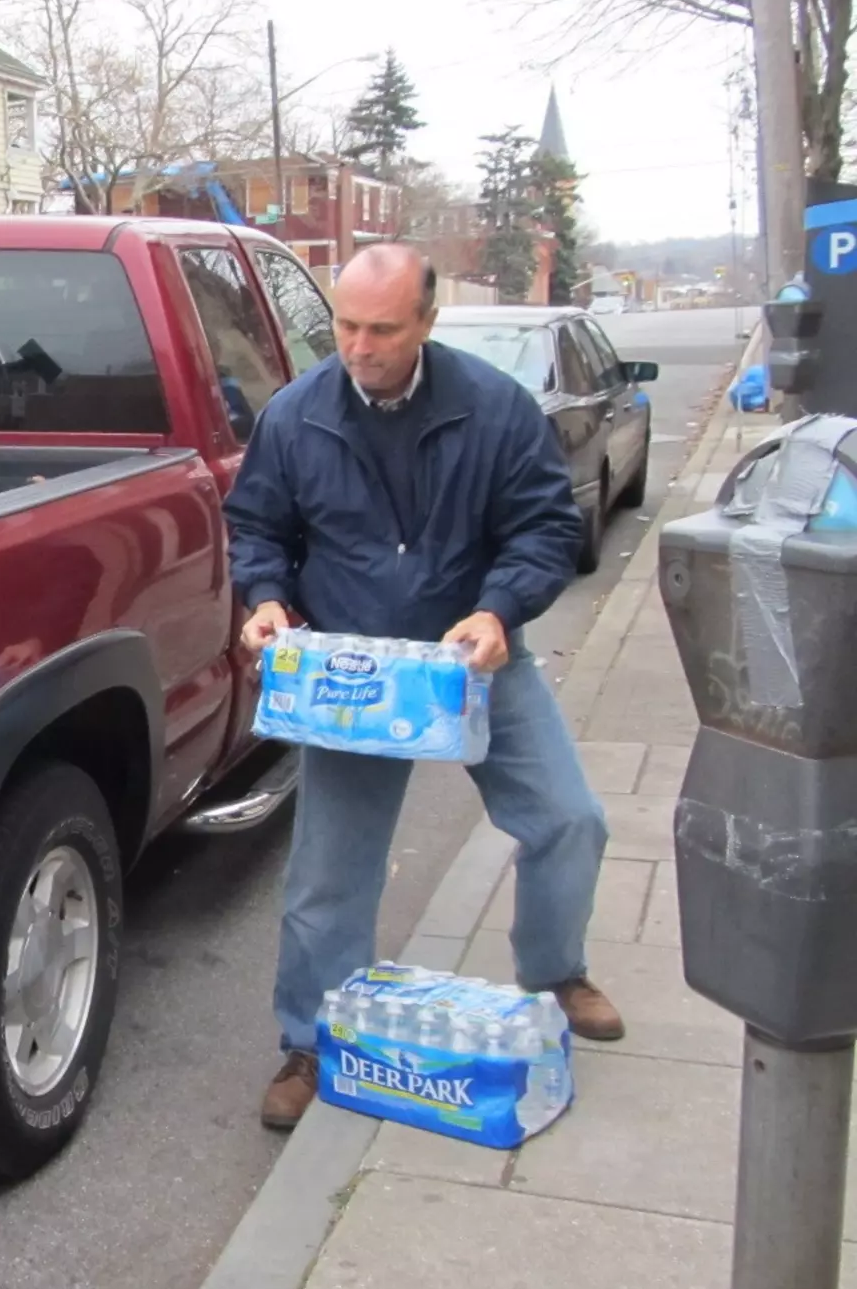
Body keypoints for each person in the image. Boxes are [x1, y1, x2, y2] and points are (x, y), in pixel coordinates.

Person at [224, 243, 623, 1132]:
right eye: (346, 325)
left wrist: (498, 610)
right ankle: (313, 1041)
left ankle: (554, 972)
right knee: (330, 876)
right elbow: (257, 529)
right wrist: (266, 600)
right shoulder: (295, 416)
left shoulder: (494, 409)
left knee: (569, 819)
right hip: (357, 675)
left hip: (471, 655)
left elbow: (546, 528)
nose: (359, 347)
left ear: (428, 324)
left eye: (382, 329)